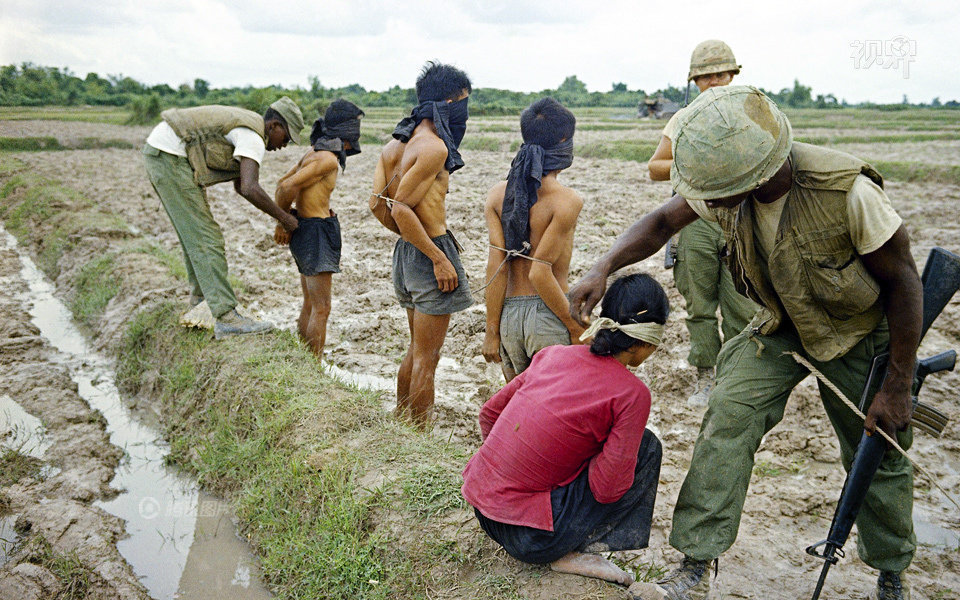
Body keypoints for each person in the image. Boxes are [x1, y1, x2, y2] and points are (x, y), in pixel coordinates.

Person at [569, 86, 920, 600]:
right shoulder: (728, 187)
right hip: (779, 325)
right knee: (726, 420)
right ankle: (694, 563)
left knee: (877, 451)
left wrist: (898, 383)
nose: (705, 202)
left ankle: (892, 573)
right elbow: (664, 220)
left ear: (755, 177)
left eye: (715, 191)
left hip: (858, 333)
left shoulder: (847, 192)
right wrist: (604, 265)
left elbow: (905, 282)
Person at [463, 273, 667, 587]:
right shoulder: (632, 394)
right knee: (646, 447)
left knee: (595, 441)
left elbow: (489, 414)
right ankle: (575, 548)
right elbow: (608, 489)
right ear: (646, 340)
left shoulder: (554, 354)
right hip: (534, 540)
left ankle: (552, 524)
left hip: (484, 512)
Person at [647, 39, 759, 406]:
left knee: (744, 307)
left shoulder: (754, 113)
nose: (714, 82)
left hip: (742, 221)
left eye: (721, 74)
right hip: (693, 220)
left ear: (734, 76)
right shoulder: (683, 119)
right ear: (694, 81)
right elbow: (655, 168)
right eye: (706, 76)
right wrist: (697, 166)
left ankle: (736, 380)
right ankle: (705, 376)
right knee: (700, 307)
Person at [142, 96, 304, 339]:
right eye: (287, 137)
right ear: (274, 126)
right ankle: (226, 317)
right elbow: (250, 187)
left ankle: (201, 302)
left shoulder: (248, 128)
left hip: (164, 152)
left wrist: (279, 216)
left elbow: (240, 186)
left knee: (195, 234)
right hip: (170, 156)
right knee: (207, 238)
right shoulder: (253, 136)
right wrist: (284, 218)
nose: (285, 145)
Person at [369, 62, 473, 429]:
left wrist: (408, 239)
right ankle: (419, 436)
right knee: (428, 358)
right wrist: (436, 256)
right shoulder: (433, 149)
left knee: (416, 349)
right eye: (462, 101)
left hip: (407, 252)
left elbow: (377, 204)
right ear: (448, 102)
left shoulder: (393, 147)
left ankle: (402, 424)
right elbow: (400, 207)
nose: (464, 109)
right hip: (430, 252)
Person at [481, 97, 584, 381]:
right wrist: (574, 328)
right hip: (549, 316)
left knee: (519, 413)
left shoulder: (496, 196)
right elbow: (540, 272)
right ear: (564, 141)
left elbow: (495, 266)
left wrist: (492, 331)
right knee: (554, 414)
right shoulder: (566, 200)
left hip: (509, 319)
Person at [273, 99, 365, 358]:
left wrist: (291, 217)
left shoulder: (313, 152)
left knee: (311, 303)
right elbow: (285, 188)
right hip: (315, 232)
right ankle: (313, 366)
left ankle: (303, 361)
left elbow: (282, 182)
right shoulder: (327, 160)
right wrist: (282, 221)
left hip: (307, 228)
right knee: (322, 307)